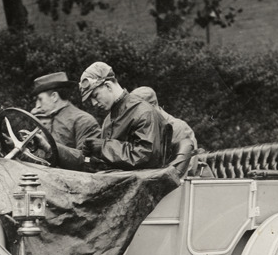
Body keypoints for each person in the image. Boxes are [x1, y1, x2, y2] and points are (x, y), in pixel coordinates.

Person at [35, 62, 165, 172]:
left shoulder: (143, 112)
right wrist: (49, 147)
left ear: (108, 85)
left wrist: (103, 147)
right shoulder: (109, 120)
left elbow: (146, 157)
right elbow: (94, 165)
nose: (94, 103)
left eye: (95, 96)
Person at [30, 72, 100, 151]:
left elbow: (84, 157)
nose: (37, 106)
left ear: (54, 97)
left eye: (40, 99)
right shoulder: (46, 120)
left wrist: (48, 148)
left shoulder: (83, 121)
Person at [131, 86, 197, 158]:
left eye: (137, 109)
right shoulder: (143, 126)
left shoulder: (178, 128)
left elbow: (185, 162)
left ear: (151, 106)